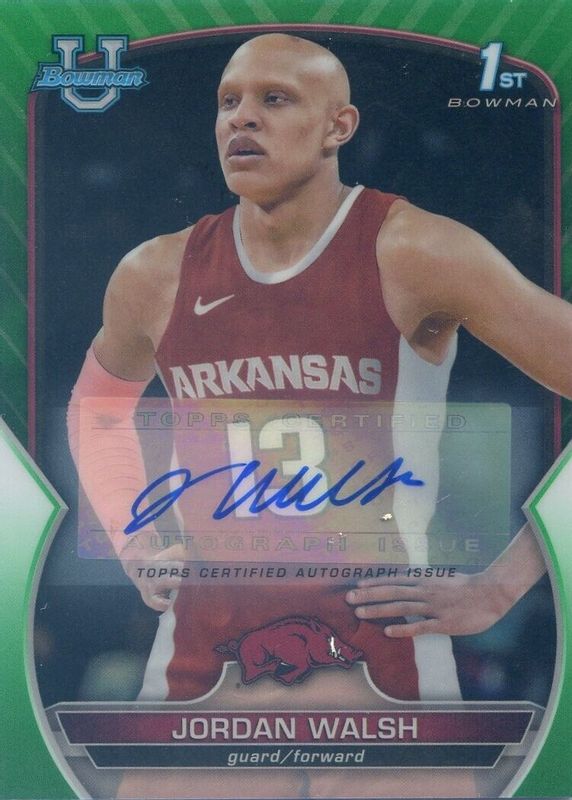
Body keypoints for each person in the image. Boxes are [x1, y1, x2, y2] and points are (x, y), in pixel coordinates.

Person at [68, 33, 571, 799]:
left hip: (387, 673)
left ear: (340, 126)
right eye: (228, 102)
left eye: (274, 99)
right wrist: (133, 543)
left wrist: (503, 585)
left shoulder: (415, 249)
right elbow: (98, 405)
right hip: (205, 670)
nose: (242, 119)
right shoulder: (156, 272)